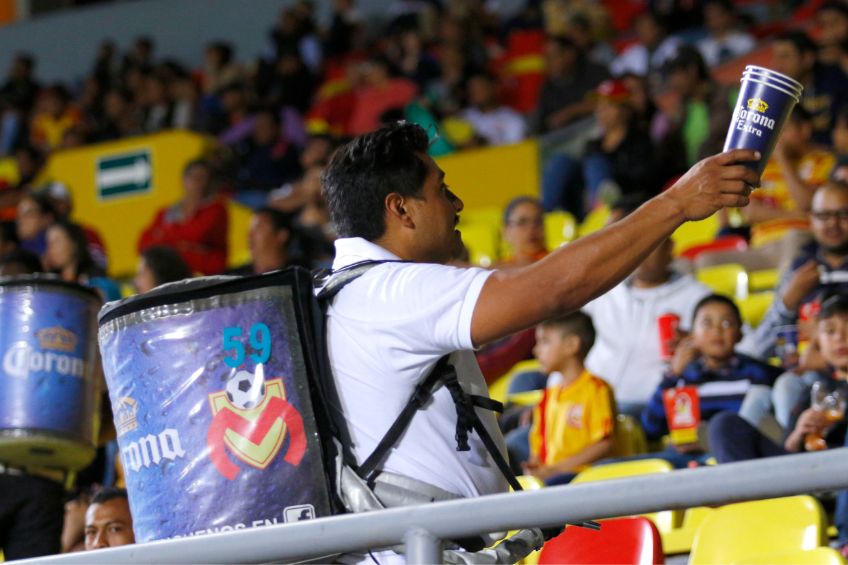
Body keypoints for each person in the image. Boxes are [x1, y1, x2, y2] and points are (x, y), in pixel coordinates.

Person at [318, 121, 758, 559]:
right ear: (401, 209)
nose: (457, 204)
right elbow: (554, 289)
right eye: (441, 190)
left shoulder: (332, 294)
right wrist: (677, 203)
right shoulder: (396, 290)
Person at [708, 293, 848, 557]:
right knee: (724, 424)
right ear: (818, 341)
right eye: (830, 330)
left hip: (842, 485)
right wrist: (799, 433)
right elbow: (788, 456)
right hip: (808, 479)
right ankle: (749, 521)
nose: (840, 338)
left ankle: (846, 540)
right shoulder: (813, 391)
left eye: (847, 329)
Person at [638, 294, 781, 467]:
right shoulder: (682, 376)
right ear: (692, 335)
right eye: (707, 323)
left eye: (727, 323)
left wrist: (711, 442)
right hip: (684, 458)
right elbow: (650, 427)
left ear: (740, 334)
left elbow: (764, 427)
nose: (717, 330)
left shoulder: (755, 373)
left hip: (730, 457)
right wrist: (673, 374)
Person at [583, 236, 712, 417]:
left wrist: (699, 343)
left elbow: (745, 346)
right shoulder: (606, 292)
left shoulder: (698, 297)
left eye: (650, 244)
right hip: (588, 396)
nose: (640, 253)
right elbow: (564, 337)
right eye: (634, 245)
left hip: (650, 402)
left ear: (669, 248)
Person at [740, 182, 848, 361]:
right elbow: (757, 350)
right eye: (823, 216)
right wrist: (788, 302)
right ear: (811, 220)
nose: (833, 223)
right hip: (800, 373)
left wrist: (823, 341)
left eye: (843, 215)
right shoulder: (799, 269)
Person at [522, 312, 615, 485]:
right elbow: (538, 445)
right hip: (552, 475)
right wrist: (535, 465)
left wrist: (556, 470)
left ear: (571, 345)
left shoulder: (596, 389)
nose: (536, 350)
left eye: (545, 341)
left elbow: (604, 444)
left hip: (584, 476)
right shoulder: (547, 396)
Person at [138, 159, 228, 275]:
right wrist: (188, 246)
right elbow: (143, 244)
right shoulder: (164, 212)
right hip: (173, 276)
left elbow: (196, 234)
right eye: (193, 177)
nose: (198, 182)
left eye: (203, 178)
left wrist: (165, 239)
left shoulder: (217, 209)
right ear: (184, 180)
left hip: (207, 274)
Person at [771, 30, 848, 146]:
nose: (779, 64)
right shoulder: (787, 93)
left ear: (808, 58)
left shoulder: (836, 78)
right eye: (777, 57)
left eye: (785, 57)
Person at [534, 35, 608, 134]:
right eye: (546, 57)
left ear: (570, 54)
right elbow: (546, 122)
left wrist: (571, 111)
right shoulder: (548, 88)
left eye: (553, 56)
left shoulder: (596, 72)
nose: (548, 62)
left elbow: (612, 101)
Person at [228, 207, 298, 276]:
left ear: (282, 236)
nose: (250, 235)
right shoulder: (233, 278)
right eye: (250, 229)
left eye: (259, 228)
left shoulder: (299, 275)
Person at [696, 0, 756, 67]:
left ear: (728, 15)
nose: (715, 20)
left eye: (718, 15)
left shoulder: (745, 40)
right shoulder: (702, 48)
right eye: (710, 17)